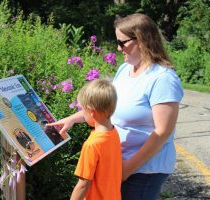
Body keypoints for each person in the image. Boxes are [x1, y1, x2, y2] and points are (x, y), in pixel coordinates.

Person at [48, 13, 183, 200]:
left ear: (142, 40)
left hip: (143, 171)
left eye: (122, 43)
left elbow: (163, 132)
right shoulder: (124, 70)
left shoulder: (163, 79)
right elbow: (103, 107)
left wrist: (127, 168)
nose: (118, 49)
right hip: (117, 163)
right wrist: (71, 119)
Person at [70, 79, 121, 200]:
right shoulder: (114, 132)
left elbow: (82, 185)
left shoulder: (92, 145)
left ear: (91, 112)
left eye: (83, 110)